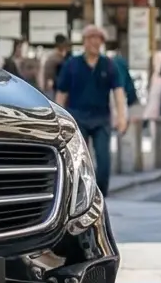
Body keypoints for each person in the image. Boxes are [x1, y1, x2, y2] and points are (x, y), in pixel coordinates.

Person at [51, 26, 138, 183]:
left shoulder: (109, 65)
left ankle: (101, 195)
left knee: (104, 162)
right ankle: (81, 195)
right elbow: (61, 94)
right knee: (79, 162)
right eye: (90, 39)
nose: (94, 42)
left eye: (98, 39)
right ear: (84, 42)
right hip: (77, 119)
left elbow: (118, 92)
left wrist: (122, 117)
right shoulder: (72, 65)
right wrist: (59, 120)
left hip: (101, 119)